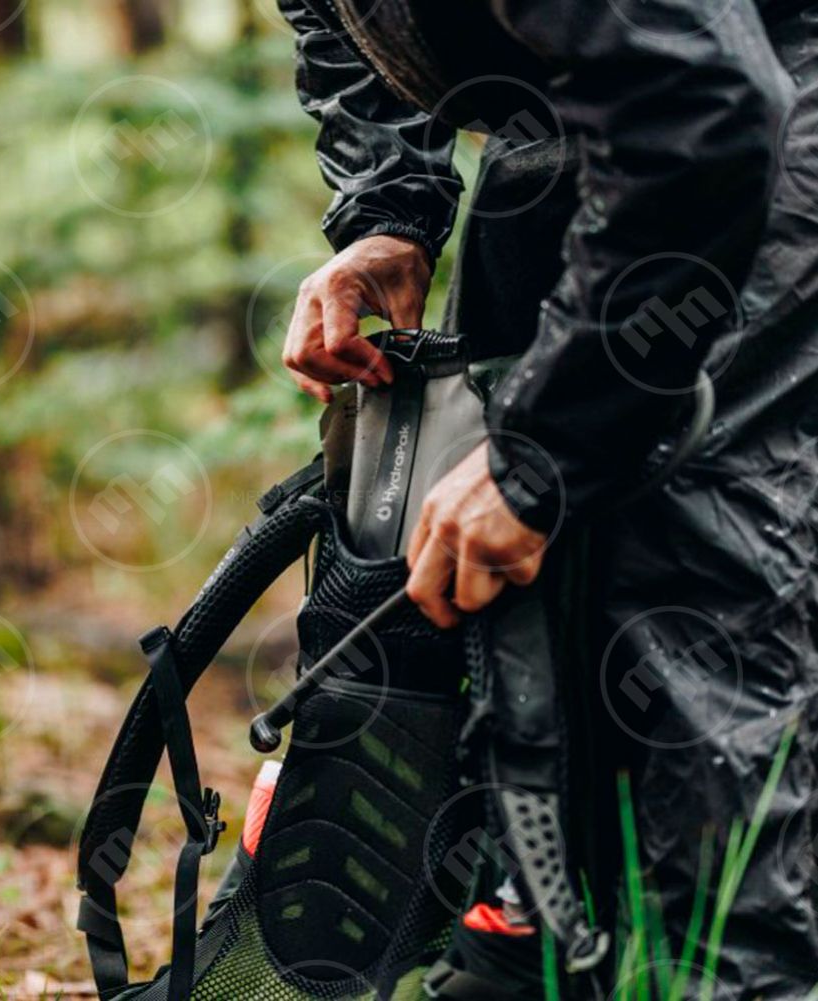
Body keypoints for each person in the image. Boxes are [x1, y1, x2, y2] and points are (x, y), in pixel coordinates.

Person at [278, 0, 818, 995]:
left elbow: (708, 102)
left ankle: (724, 974)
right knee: (522, 607)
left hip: (744, 119)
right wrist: (389, 207)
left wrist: (540, 456)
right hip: (562, 119)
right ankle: (543, 944)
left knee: (689, 577)